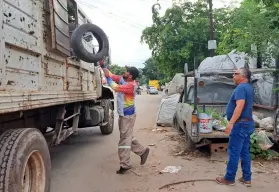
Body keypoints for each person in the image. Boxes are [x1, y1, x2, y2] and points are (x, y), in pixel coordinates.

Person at [102, 66, 150, 174]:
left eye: (127, 71)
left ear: (130, 76)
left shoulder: (131, 86)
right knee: (127, 136)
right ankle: (142, 151)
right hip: (124, 115)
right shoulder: (123, 79)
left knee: (124, 140)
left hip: (127, 116)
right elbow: (112, 75)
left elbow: (115, 87)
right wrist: (103, 67)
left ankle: (125, 164)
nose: (124, 72)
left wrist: (107, 78)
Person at [216, 67, 254, 187]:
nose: (233, 75)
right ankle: (247, 178)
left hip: (240, 124)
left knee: (234, 151)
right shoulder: (249, 88)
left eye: (235, 73)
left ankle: (229, 178)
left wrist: (231, 123)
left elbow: (239, 106)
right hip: (247, 123)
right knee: (244, 152)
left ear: (243, 76)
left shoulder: (241, 88)